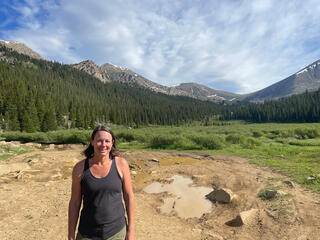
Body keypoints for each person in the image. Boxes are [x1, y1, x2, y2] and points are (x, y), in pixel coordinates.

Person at [68, 126, 135, 240]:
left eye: (107, 141)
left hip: (116, 232)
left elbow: (129, 197)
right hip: (87, 233)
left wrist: (131, 231)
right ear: (92, 141)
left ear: (112, 143)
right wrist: (71, 235)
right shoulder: (80, 168)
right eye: (99, 140)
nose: (103, 144)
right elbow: (74, 203)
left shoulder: (121, 164)